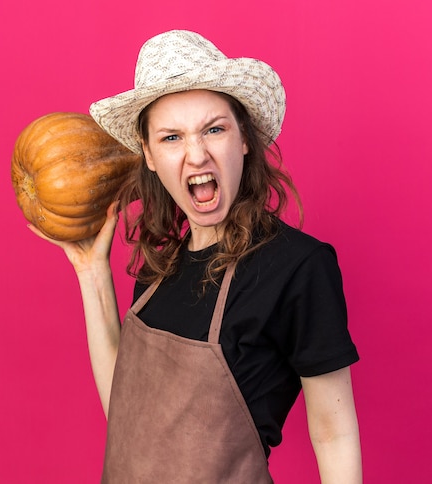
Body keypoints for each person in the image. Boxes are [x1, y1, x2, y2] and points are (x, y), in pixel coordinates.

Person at [29, 30, 362, 483]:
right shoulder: (160, 268)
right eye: (171, 137)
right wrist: (92, 273)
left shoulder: (299, 268)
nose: (196, 154)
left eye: (213, 129)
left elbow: (333, 434)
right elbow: (129, 421)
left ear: (244, 138)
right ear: (147, 155)